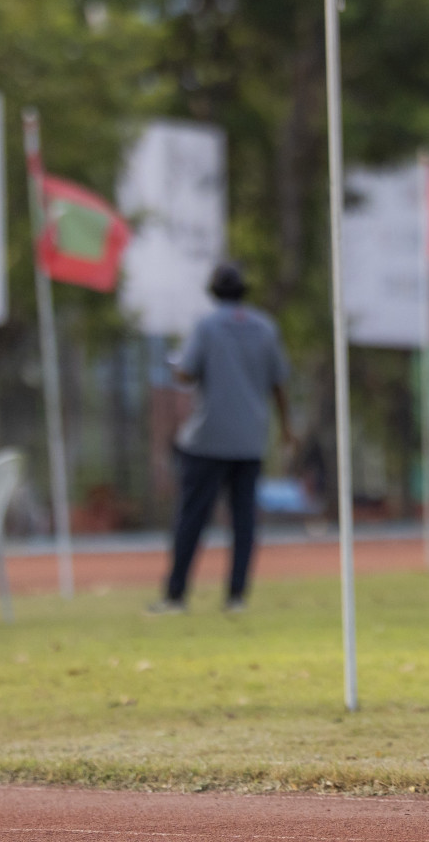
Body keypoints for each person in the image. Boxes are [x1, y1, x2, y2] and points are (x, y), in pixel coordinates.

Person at [147, 262, 293, 614]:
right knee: (244, 521)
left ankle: (176, 595)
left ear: (213, 292)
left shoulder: (206, 326)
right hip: (249, 438)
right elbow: (279, 383)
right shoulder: (265, 327)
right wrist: (287, 428)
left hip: (207, 438)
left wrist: (174, 362)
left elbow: (186, 374)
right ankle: (236, 597)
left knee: (192, 517)